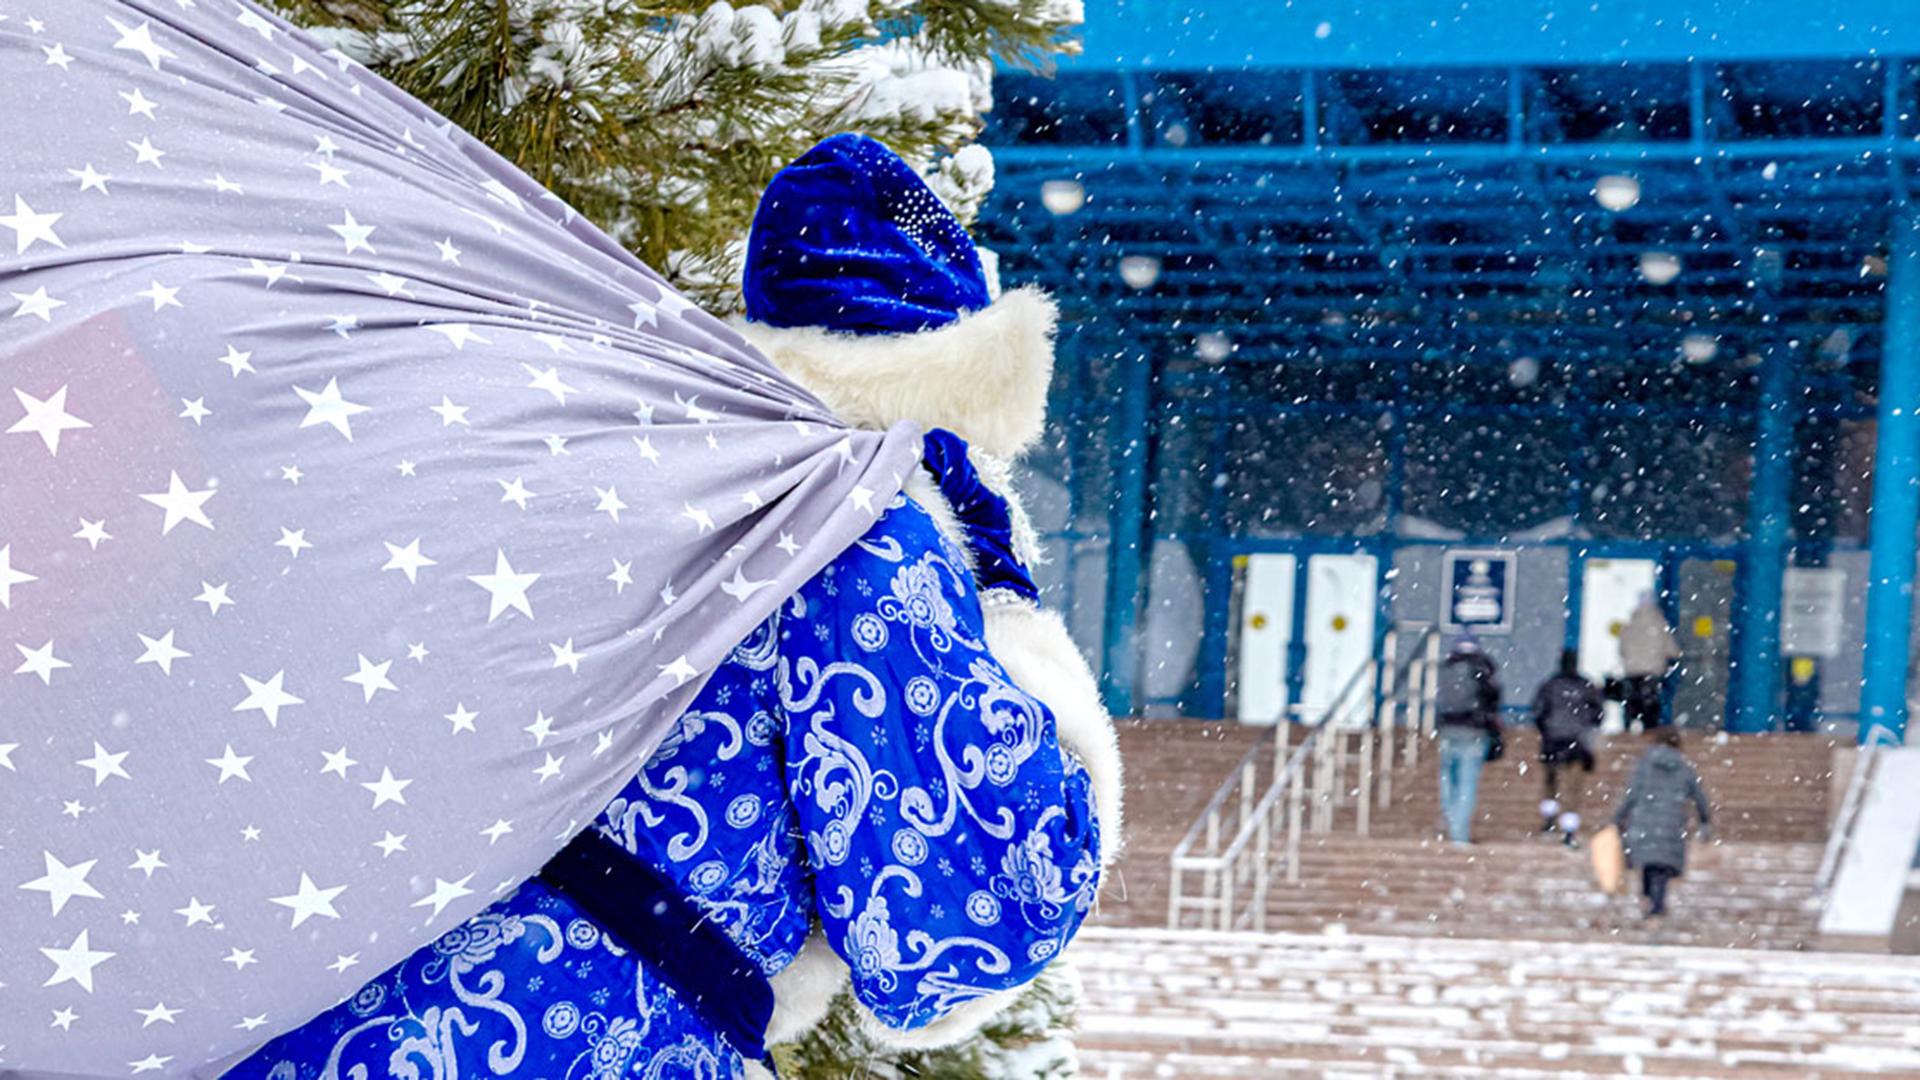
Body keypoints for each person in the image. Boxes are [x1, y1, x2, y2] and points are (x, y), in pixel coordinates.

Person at [227, 135, 1120, 1079]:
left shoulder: (601, 458)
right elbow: (959, 919)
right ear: (964, 389)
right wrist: (1016, 631)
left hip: (348, 997)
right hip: (593, 1023)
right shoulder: (859, 529)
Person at [1613, 727, 1712, 921]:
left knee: (1648, 862)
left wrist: (1618, 818)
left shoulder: (1644, 765)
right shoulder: (1684, 768)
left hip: (1643, 821)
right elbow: (1699, 797)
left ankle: (1648, 898)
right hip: (1671, 822)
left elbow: (1631, 794)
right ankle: (1657, 905)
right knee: (1662, 866)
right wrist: (1705, 820)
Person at [1531, 649, 1605, 847]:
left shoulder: (1550, 685)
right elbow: (1598, 714)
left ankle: (1549, 819)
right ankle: (1569, 829)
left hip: (1553, 741)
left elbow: (1538, 711)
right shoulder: (1586, 686)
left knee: (1551, 783)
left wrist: (1547, 729)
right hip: (1577, 743)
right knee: (1573, 788)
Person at [1434, 637, 1502, 846]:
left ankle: (1450, 820)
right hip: (1473, 730)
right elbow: (1493, 697)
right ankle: (1459, 833)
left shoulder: (1446, 668)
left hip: (1448, 728)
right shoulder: (1482, 667)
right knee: (1467, 782)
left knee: (1448, 779)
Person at [1619, 592, 1681, 731]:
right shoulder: (1660, 625)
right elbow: (1672, 651)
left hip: (1632, 671)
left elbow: (1622, 650)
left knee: (1631, 704)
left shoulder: (1629, 625)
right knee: (1650, 707)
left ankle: (1628, 732)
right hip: (1651, 672)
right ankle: (1649, 733)